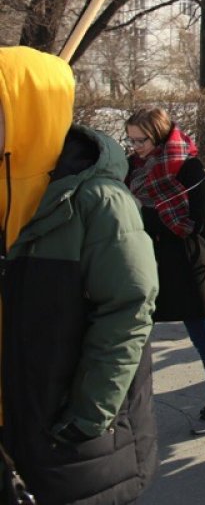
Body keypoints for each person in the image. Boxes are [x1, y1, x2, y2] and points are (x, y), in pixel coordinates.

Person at [0, 47, 158, 504]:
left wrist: (90, 414)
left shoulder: (98, 201)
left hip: (72, 439)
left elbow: (128, 308)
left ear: (29, 109)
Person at [124, 108, 205, 435]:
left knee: (202, 334)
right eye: (130, 139)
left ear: (157, 135)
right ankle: (130, 410)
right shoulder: (131, 167)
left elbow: (192, 222)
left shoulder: (188, 166)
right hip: (146, 258)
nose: (136, 146)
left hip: (185, 262)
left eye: (141, 139)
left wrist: (141, 211)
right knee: (133, 336)